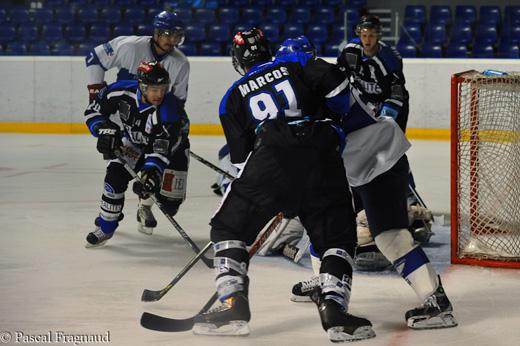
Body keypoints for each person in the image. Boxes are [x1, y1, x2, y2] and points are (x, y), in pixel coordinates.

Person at [192, 28, 375, 342]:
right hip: (321, 152)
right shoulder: (295, 65)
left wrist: (272, 193)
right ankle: (335, 313)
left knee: (228, 228)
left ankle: (232, 306)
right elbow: (338, 91)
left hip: (270, 158)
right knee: (335, 237)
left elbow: (241, 161)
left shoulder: (232, 97)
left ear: (237, 60)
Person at [288, 31, 458, 330]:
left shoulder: (316, 88)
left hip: (378, 161)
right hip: (358, 165)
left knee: (389, 237)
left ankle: (436, 302)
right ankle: (326, 282)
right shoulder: (318, 81)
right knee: (323, 225)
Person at [86, 10, 190, 235]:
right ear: (156, 32)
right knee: (117, 169)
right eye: (168, 35)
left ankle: (145, 204)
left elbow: (178, 104)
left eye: (177, 36)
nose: (172, 41)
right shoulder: (129, 47)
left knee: (168, 200)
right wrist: (96, 94)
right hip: (127, 120)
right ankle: (110, 213)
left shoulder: (180, 63)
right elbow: (94, 57)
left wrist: (170, 135)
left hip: (158, 124)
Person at [337, 14, 433, 243]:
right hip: (366, 107)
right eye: (364, 35)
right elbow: (338, 79)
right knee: (359, 156)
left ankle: (413, 205)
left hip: (392, 109)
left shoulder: (389, 58)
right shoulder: (350, 52)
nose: (367, 39)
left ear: (378, 36)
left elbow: (397, 93)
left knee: (393, 156)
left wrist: (386, 119)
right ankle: (364, 208)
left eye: (371, 35)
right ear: (359, 34)